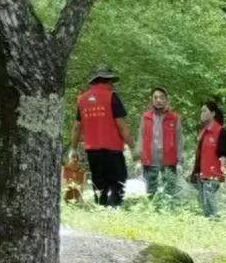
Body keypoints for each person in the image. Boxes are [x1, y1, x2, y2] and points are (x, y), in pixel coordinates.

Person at [70, 67, 130, 207]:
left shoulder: (82, 99)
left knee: (99, 181)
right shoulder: (112, 96)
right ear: (108, 80)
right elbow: (121, 125)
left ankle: (100, 207)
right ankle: (114, 207)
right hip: (112, 148)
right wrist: (132, 146)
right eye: (111, 81)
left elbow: (76, 127)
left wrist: (73, 148)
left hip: (92, 149)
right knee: (118, 179)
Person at [137, 87, 183, 203]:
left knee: (170, 190)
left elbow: (179, 140)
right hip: (150, 160)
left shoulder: (174, 118)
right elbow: (140, 138)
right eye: (155, 97)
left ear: (166, 100)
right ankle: (152, 212)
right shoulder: (146, 117)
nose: (158, 100)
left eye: (161, 97)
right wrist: (138, 159)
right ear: (152, 100)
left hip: (169, 160)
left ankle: (169, 212)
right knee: (150, 191)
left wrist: (180, 161)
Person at [191, 99, 226, 217]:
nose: (201, 114)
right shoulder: (204, 132)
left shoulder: (220, 131)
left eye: (204, 111)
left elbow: (223, 154)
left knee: (210, 206)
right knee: (204, 205)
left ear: (213, 113)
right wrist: (195, 172)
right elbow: (200, 155)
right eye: (201, 111)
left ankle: (215, 226)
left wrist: (224, 173)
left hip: (213, 175)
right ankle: (211, 228)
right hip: (202, 174)